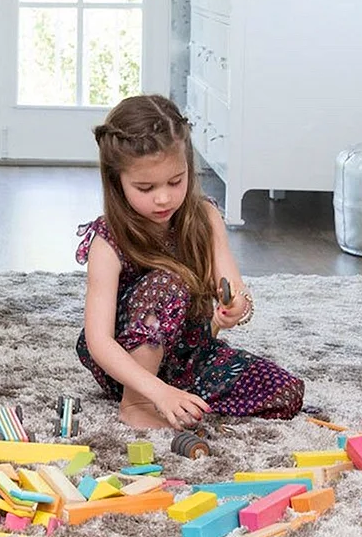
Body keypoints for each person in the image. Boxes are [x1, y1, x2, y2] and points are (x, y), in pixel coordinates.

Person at [76, 95, 305, 429]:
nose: (164, 197)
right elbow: (99, 342)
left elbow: (231, 285)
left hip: (191, 356)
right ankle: (138, 404)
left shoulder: (204, 216)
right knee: (168, 282)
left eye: (175, 181)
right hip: (127, 366)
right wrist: (157, 392)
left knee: (285, 394)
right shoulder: (107, 243)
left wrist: (236, 306)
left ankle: (177, 396)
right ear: (117, 182)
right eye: (145, 187)